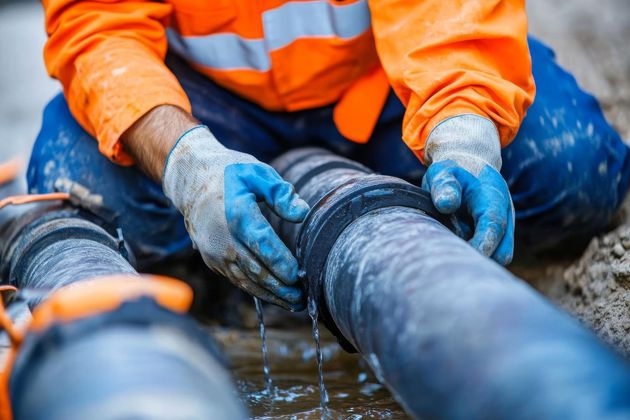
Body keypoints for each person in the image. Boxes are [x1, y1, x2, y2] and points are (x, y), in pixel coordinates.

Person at [29, 0, 630, 311]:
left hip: (385, 86)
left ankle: (273, 247)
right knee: (77, 183)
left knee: (571, 167)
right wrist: (186, 162)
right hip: (204, 100)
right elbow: (100, 25)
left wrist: (464, 129)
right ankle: (220, 282)